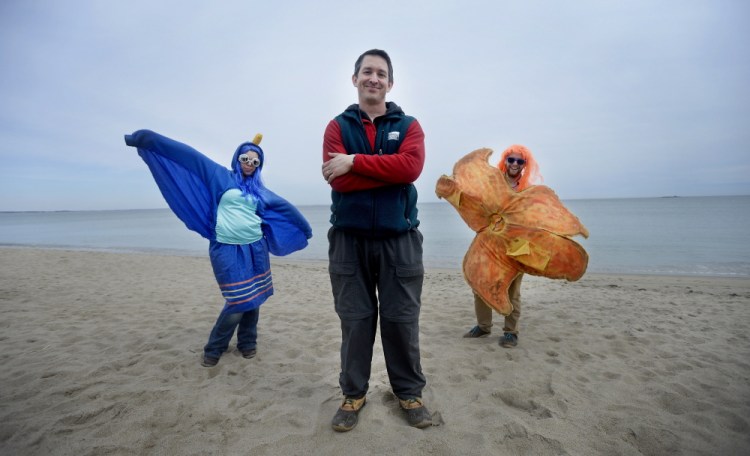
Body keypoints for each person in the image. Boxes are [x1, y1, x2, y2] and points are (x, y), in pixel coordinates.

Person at [124, 130, 312, 367]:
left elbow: (284, 208)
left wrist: (304, 229)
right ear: (238, 158)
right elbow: (188, 156)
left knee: (254, 297)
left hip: (255, 248)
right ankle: (215, 347)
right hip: (226, 248)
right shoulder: (219, 177)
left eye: (255, 161)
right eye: (246, 159)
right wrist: (146, 139)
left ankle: (247, 343)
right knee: (238, 300)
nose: (250, 164)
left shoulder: (259, 190)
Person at [321, 49, 432, 432]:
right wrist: (379, 170)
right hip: (348, 240)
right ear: (354, 79)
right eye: (367, 71)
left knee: (401, 320)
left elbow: (410, 168)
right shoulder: (337, 126)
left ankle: (409, 393)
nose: (374, 78)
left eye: (381, 73)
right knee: (355, 321)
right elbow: (339, 180)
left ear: (390, 83)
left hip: (398, 239)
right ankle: (353, 394)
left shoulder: (409, 125)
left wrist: (354, 161)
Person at [462, 144, 542, 348]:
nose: (515, 164)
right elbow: (478, 205)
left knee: (512, 290)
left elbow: (536, 220)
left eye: (519, 161)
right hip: (490, 242)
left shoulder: (529, 189)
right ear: (505, 161)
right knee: (479, 284)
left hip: (517, 246)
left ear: (525, 164)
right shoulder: (494, 183)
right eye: (511, 160)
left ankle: (511, 332)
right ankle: (483, 326)